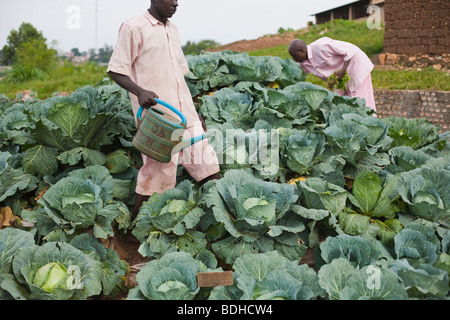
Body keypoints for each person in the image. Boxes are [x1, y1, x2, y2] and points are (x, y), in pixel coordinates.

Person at [107, 0, 221, 222]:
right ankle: (137, 227)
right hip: (158, 117)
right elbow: (116, 70)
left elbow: (180, 77)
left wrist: (195, 112)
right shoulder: (134, 28)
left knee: (207, 162)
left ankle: (220, 218)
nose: (176, 3)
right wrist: (139, 92)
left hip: (184, 113)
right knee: (158, 172)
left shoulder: (172, 30)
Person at [288, 37, 376, 113]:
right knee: (343, 103)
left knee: (362, 100)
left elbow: (350, 50)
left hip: (356, 66)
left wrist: (342, 70)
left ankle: (371, 123)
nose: (294, 60)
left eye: (295, 56)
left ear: (302, 50)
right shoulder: (303, 62)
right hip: (341, 79)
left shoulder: (321, 47)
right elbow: (297, 76)